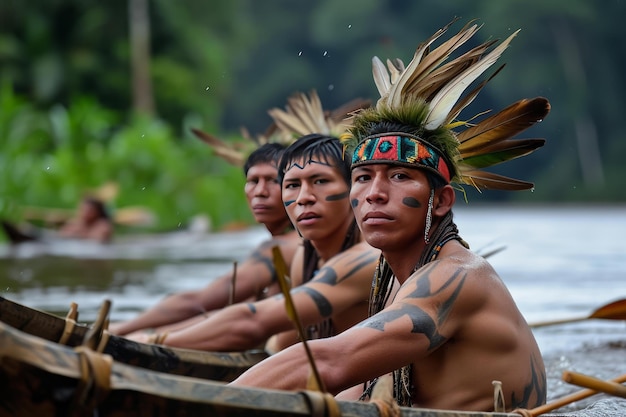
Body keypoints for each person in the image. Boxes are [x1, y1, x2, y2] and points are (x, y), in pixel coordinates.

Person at [231, 20, 550, 412]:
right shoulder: (397, 286)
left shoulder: (456, 278)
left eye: (400, 176)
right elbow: (353, 393)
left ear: (443, 200)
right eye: (362, 177)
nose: (375, 193)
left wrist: (207, 404)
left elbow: (329, 361)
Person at [130, 134, 380, 352]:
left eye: (321, 181)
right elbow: (284, 342)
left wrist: (153, 340)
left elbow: (252, 320)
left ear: (354, 188)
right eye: (292, 185)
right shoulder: (305, 257)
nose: (304, 198)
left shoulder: (367, 258)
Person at [108, 143, 301, 336]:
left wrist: (120, 330)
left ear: (293, 187)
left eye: (272, 180)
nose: (260, 191)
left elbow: (198, 302)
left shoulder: (281, 247)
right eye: (253, 181)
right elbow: (221, 314)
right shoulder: (288, 243)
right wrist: (151, 333)